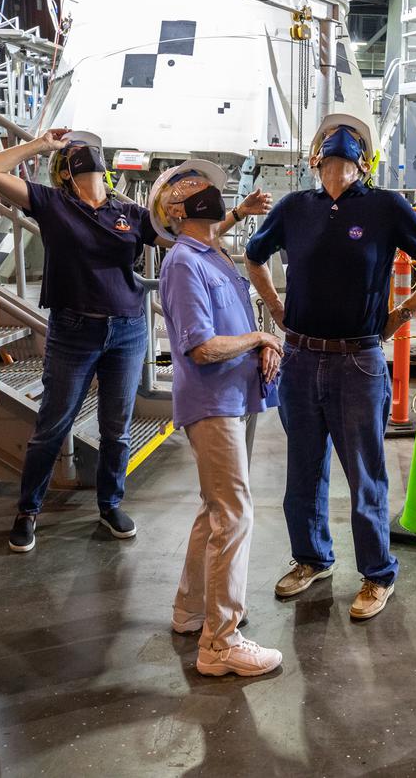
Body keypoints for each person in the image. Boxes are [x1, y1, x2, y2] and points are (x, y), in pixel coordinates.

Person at [0, 131, 268, 552]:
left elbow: (190, 232)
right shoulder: (52, 203)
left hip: (127, 329)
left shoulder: (127, 211)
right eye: (74, 152)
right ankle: (28, 510)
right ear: (64, 169)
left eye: (87, 150)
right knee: (52, 425)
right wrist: (41, 145)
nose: (84, 153)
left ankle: (110, 504)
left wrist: (237, 212)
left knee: (117, 427)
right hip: (73, 331)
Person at [245, 113, 416, 620]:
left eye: (348, 154)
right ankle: (312, 559)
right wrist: (276, 309)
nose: (337, 161)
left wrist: (401, 315)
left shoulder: (386, 207)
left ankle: (376, 574)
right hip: (299, 358)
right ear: (315, 159)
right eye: (329, 152)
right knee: (303, 471)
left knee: (364, 475)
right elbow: (254, 257)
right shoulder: (295, 208)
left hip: (357, 361)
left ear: (364, 162)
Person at [152, 160, 284, 677]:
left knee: (215, 511)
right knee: (234, 513)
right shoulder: (184, 262)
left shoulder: (210, 253)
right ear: (176, 210)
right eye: (194, 187)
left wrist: (259, 346)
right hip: (212, 402)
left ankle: (192, 611)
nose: (208, 190)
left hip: (233, 396)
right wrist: (261, 338)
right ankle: (221, 642)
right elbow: (201, 347)